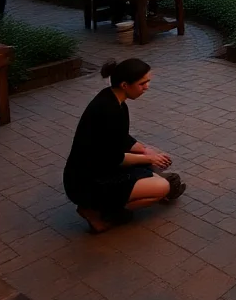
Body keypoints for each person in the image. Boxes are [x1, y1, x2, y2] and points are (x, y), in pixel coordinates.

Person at [63, 58, 186, 233]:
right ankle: (96, 209)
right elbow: (114, 158)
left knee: (150, 159)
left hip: (99, 169)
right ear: (125, 85)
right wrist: (148, 157)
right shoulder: (108, 109)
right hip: (88, 182)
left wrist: (146, 150)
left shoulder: (112, 99)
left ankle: (147, 185)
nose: (147, 87)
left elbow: (121, 138)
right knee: (162, 187)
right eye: (142, 83)